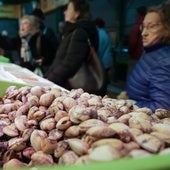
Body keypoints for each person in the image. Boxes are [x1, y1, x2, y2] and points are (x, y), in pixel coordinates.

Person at [45, 0, 105, 94]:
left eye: (68, 9)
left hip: (70, 87)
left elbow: (70, 63)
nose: (65, 12)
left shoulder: (79, 32)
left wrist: (50, 79)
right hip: (64, 82)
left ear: (77, 13)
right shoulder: (72, 32)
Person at [126, 1, 170, 112]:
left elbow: (162, 107)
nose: (143, 33)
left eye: (152, 27)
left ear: (167, 29)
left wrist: (132, 105)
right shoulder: (151, 51)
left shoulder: (163, 60)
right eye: (143, 27)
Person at [127, 6, 147, 77]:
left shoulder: (136, 27)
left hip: (135, 58)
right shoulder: (148, 27)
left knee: (132, 77)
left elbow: (132, 43)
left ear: (138, 14)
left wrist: (130, 52)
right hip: (146, 58)